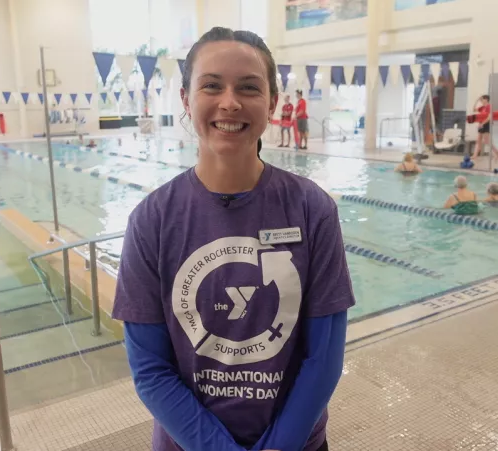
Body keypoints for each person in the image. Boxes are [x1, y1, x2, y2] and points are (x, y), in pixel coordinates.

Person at [112, 27, 354, 451]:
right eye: (211, 85)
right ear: (186, 99)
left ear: (272, 103)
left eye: (248, 87)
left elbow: (324, 359)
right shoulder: (151, 220)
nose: (230, 101)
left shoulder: (313, 209)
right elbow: (150, 368)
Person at [471, 95, 498, 161]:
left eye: (482, 99)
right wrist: (476, 101)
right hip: (481, 124)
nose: (481, 101)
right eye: (481, 100)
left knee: (487, 141)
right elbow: (473, 109)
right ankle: (475, 155)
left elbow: (489, 117)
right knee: (478, 140)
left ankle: (496, 153)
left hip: (486, 124)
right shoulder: (482, 107)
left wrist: (482, 124)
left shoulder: (489, 107)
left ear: (486, 99)